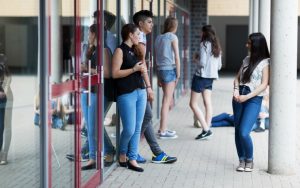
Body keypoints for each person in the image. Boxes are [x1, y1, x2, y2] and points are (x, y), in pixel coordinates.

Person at [132, 10, 177, 163]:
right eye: (149, 22)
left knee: (147, 117)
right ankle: (130, 151)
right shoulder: (138, 39)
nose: (152, 24)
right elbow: (142, 64)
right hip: (136, 85)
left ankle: (157, 153)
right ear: (140, 24)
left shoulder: (143, 37)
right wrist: (149, 87)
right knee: (147, 116)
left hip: (139, 84)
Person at [112, 23, 147, 172]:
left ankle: (132, 158)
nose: (139, 36)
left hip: (141, 92)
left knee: (137, 128)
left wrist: (149, 87)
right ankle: (122, 153)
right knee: (129, 129)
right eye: (137, 34)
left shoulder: (136, 49)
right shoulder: (120, 51)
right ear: (130, 35)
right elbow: (115, 73)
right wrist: (134, 69)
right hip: (126, 94)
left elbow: (142, 70)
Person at [232, 32, 270, 172]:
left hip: (253, 99)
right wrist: (236, 90)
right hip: (238, 97)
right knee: (237, 131)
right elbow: (237, 78)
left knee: (244, 132)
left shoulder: (265, 62)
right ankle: (241, 160)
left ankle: (250, 160)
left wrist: (246, 97)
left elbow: (264, 84)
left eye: (249, 43)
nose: (246, 45)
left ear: (256, 45)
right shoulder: (246, 59)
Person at [189, 25, 222, 140]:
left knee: (192, 104)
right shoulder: (217, 46)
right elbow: (219, 66)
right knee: (207, 103)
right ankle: (207, 128)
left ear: (205, 33)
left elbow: (202, 63)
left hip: (201, 77)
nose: (200, 34)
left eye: (201, 32)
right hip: (211, 78)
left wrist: (195, 59)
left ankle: (206, 129)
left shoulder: (204, 44)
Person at [155, 17, 180, 139]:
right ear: (174, 26)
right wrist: (178, 73)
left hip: (161, 70)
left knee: (167, 100)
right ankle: (162, 131)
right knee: (166, 101)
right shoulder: (172, 37)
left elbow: (156, 57)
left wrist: (158, 76)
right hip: (170, 69)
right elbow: (177, 57)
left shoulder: (159, 38)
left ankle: (163, 127)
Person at [80, 24, 98, 170]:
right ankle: (92, 156)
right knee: (89, 127)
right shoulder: (90, 49)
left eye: (89, 33)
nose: (87, 36)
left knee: (92, 128)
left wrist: (86, 68)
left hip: (94, 91)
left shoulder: (101, 50)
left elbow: (103, 72)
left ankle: (95, 157)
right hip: (85, 90)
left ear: (94, 34)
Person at [0, 54, 12, 165]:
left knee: (6, 127)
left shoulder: (7, 73)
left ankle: (5, 153)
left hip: (7, 100)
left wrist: (2, 93)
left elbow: (7, 87)